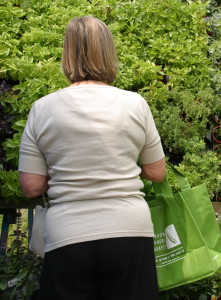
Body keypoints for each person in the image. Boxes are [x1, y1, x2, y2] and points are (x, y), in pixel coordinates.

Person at [18, 16, 165, 300]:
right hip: (129, 229)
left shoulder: (42, 108)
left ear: (67, 55)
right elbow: (157, 172)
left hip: (67, 235)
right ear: (109, 52)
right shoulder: (135, 104)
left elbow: (32, 186)